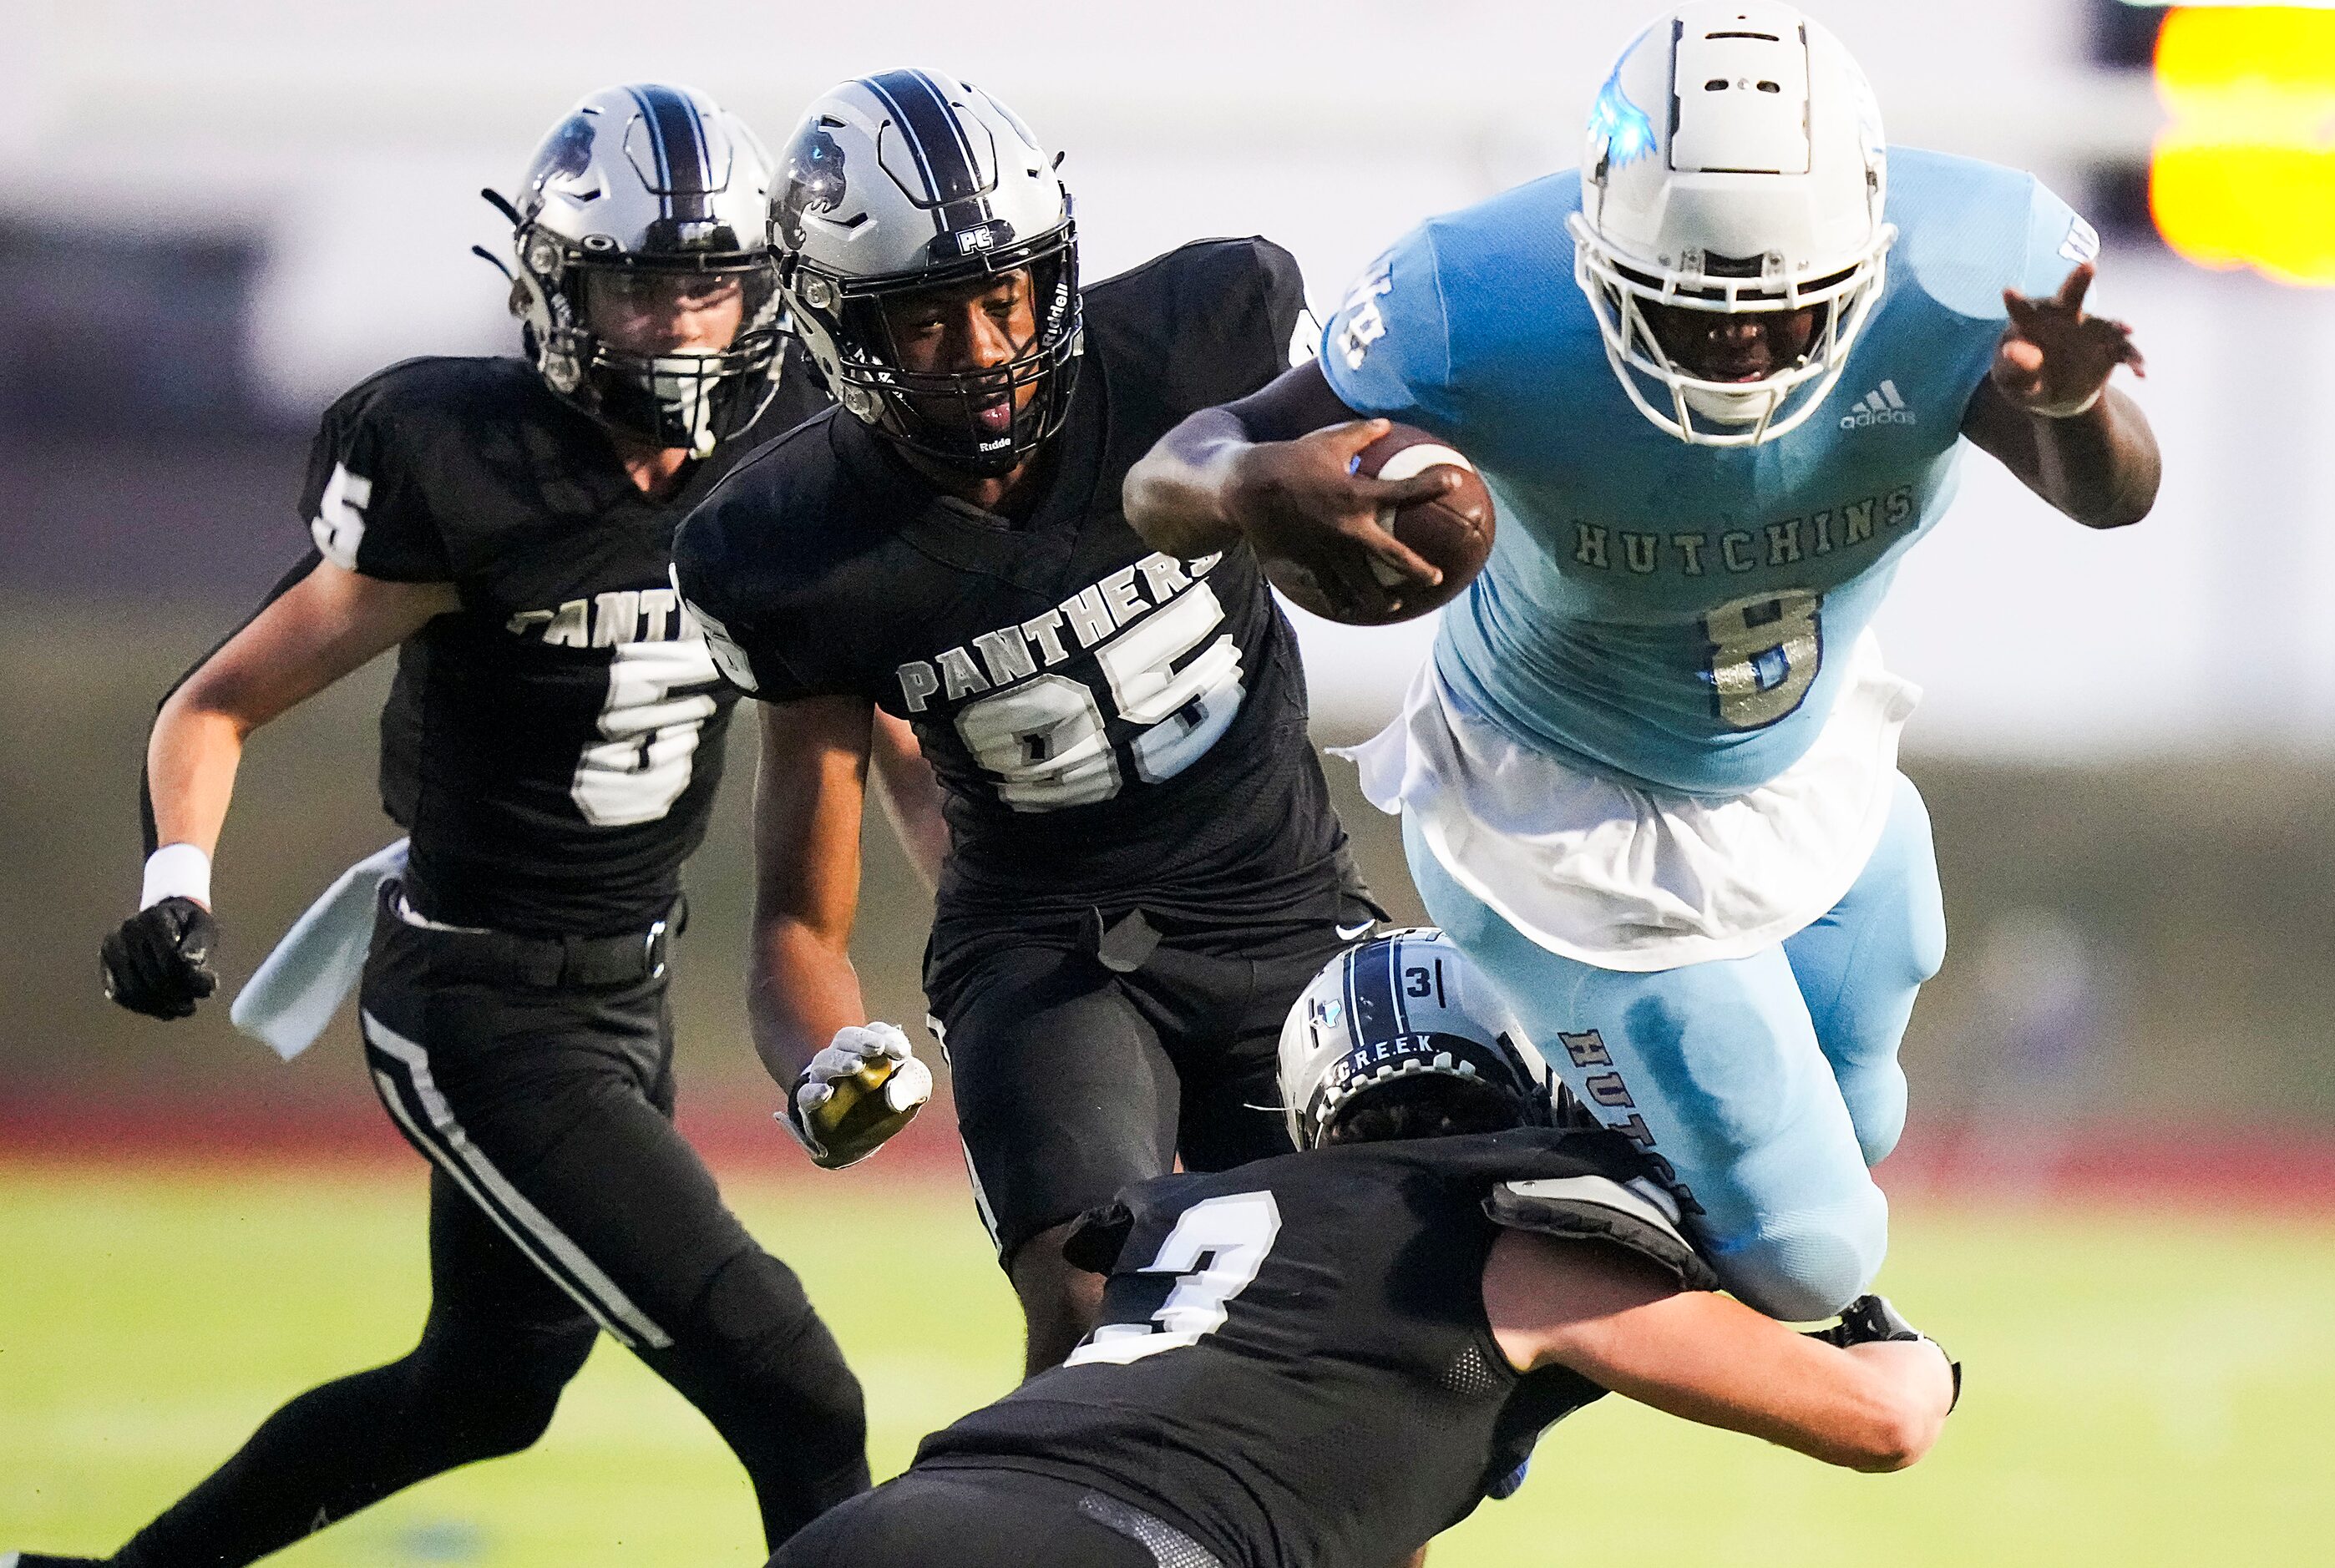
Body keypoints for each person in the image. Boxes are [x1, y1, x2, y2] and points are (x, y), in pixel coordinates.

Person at [1123, 0, 2161, 1322]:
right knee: (1807, 1257)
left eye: (1779, 313)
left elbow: (2112, 496)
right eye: (1684, 310)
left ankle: (1545, 1065)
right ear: (1594, 251)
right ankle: (1459, 1041)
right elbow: (1166, 474)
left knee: (1861, 1122)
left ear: (1861, 257)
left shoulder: (1962, 270)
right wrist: (1254, 479)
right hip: (1562, 808)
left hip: (1807, 754)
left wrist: (2067, 405)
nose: (1733, 344)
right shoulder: (1476, 299)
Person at [35, 85, 911, 1568]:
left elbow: (884, 726)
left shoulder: (790, 459)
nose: (684, 325)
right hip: (477, 999)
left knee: (483, 1392)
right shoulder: (466, 461)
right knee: (797, 1392)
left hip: (628, 984)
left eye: (710, 283)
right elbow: (217, 703)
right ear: (558, 290)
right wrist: (177, 881)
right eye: (639, 287)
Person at [671, 68, 1386, 1374]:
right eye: (929, 322)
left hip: (1281, 903)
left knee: (1347, 1348)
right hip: (1043, 950)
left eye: (1003, 297)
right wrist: (819, 1055)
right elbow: (792, 922)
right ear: (837, 330)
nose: (986, 350)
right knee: (1087, 1299)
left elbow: (1394, 434)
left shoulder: (1194, 337)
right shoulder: (790, 550)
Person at [771, 928, 1961, 1568]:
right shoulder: (1520, 1232)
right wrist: (1904, 1347)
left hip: (886, 1520)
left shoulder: (1202, 1210)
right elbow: (1878, 1421)